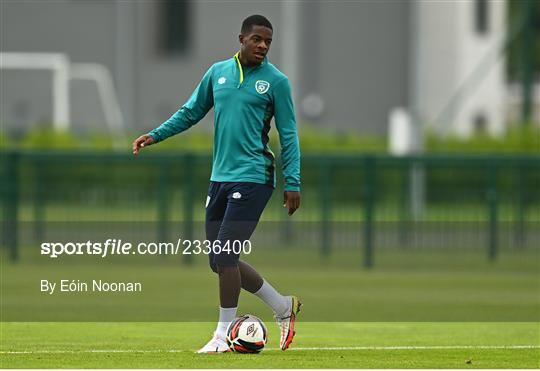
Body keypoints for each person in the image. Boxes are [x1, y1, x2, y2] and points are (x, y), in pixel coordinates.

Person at [132, 15, 301, 353]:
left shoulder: (276, 82)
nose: (263, 46)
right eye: (257, 39)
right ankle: (283, 306)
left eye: (268, 41)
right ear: (242, 38)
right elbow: (190, 112)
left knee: (225, 255)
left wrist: (292, 181)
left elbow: (290, 133)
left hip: (254, 177)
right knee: (219, 261)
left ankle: (222, 336)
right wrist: (156, 134)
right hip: (219, 179)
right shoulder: (217, 73)